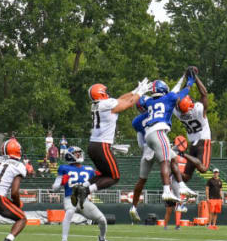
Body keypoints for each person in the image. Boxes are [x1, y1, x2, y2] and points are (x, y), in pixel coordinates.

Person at [75, 78, 151, 207]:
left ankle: (82, 187)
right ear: (101, 93)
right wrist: (140, 93)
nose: (107, 93)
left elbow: (121, 99)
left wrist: (135, 91)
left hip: (93, 145)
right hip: (102, 146)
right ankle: (86, 191)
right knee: (114, 177)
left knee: (103, 174)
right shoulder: (106, 104)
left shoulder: (97, 105)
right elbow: (128, 103)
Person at [136, 70, 197, 204]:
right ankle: (166, 191)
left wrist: (139, 91)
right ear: (164, 89)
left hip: (150, 135)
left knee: (173, 158)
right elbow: (181, 95)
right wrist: (189, 83)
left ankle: (181, 186)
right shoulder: (168, 97)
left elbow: (140, 101)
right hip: (158, 131)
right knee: (165, 161)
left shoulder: (150, 101)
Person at [52, 146, 116, 241]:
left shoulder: (89, 169)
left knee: (102, 219)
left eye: (79, 153)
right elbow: (54, 188)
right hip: (70, 198)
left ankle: (102, 239)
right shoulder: (64, 168)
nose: (79, 155)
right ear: (70, 156)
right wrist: (61, 183)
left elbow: (100, 177)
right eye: (76, 153)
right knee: (69, 212)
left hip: (84, 200)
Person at [173, 68, 211, 182]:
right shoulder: (198, 110)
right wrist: (195, 77)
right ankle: (181, 155)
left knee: (186, 177)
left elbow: (178, 97)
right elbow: (204, 93)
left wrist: (187, 80)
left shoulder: (179, 113)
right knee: (203, 169)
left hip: (192, 143)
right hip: (203, 141)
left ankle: (176, 160)